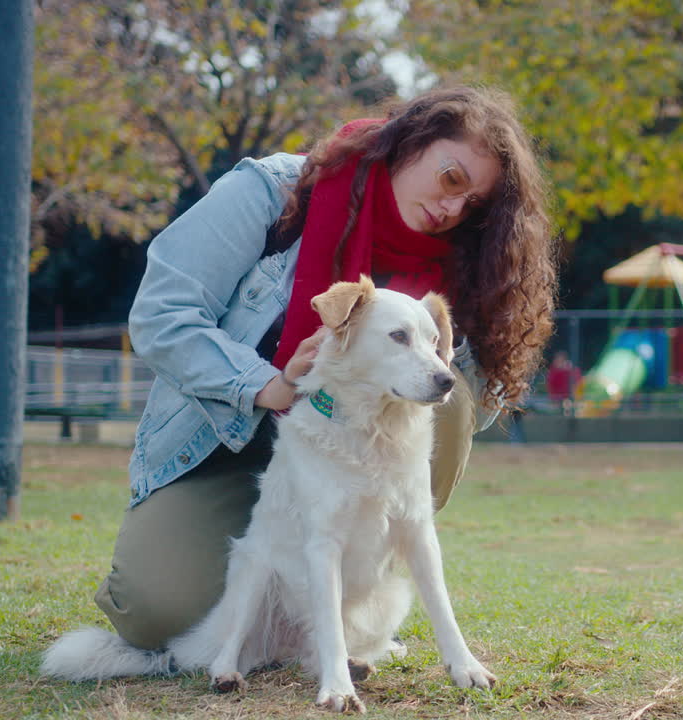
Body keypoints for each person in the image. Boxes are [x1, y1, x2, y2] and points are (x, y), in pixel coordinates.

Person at [93, 85, 558, 651]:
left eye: (474, 205)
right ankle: (281, 597)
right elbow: (163, 314)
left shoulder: (465, 260)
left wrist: (427, 357)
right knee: (154, 615)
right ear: (409, 141)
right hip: (229, 443)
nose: (453, 208)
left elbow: (473, 410)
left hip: (356, 461)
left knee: (451, 396)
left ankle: (347, 590)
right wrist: (266, 384)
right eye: (452, 178)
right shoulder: (270, 191)